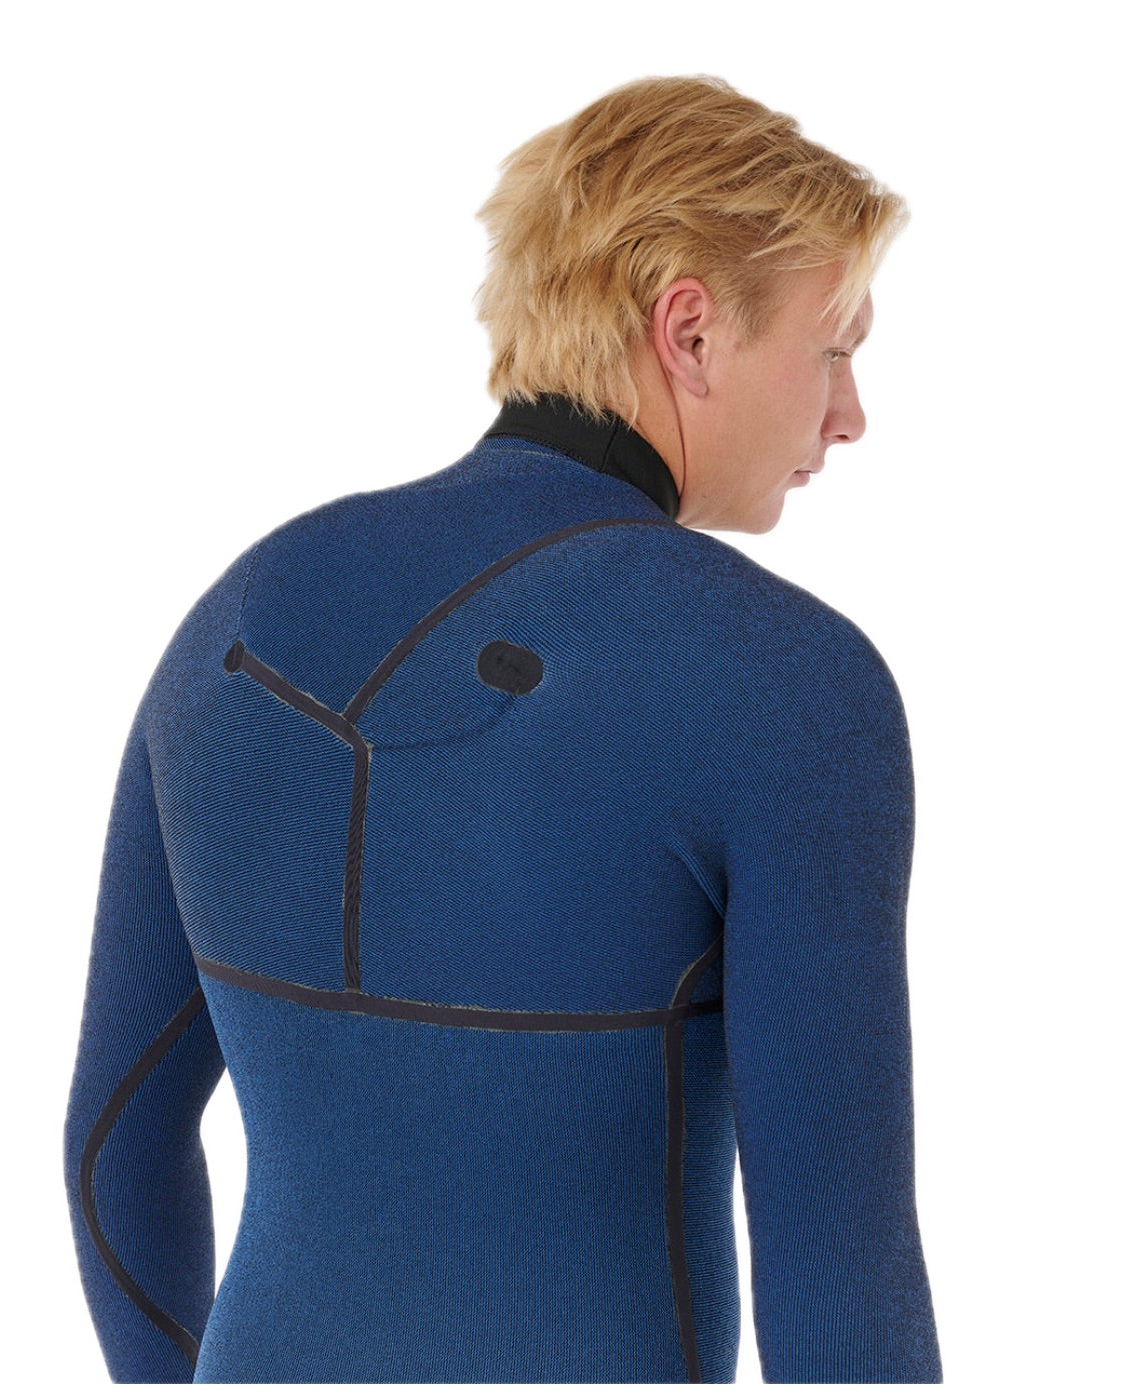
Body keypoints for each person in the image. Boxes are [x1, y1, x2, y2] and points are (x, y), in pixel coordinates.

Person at [62, 75, 943, 1384]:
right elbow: (838, 1276)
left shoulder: (240, 614)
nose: (849, 412)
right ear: (691, 330)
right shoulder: (785, 680)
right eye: (834, 347)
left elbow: (115, 1153)